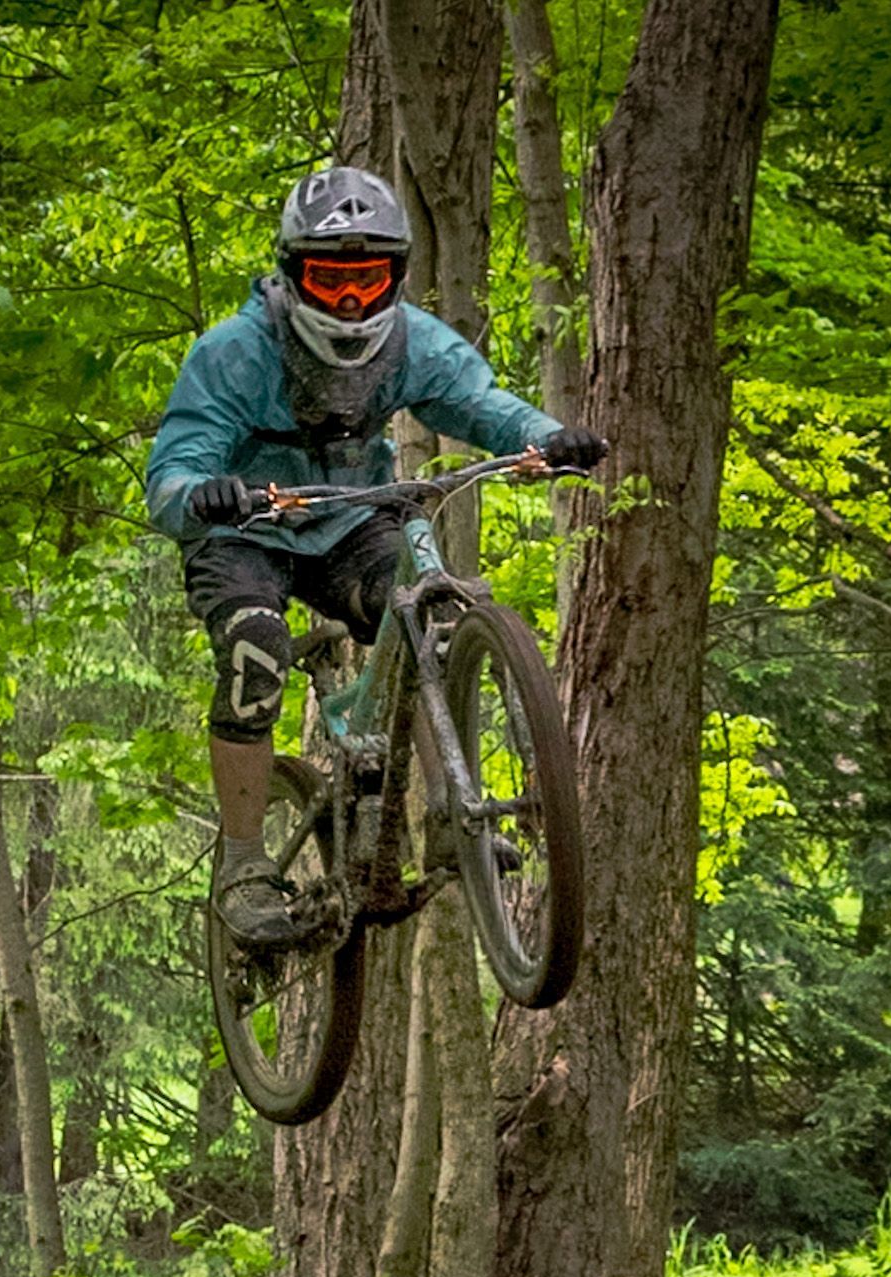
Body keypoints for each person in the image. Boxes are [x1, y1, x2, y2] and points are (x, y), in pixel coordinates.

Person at [145, 166, 605, 946]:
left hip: (350, 523)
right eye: (330, 279)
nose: (350, 301)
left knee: (436, 616)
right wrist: (202, 492)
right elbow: (174, 469)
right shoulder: (234, 352)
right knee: (255, 648)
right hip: (245, 533)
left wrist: (545, 435)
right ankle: (244, 864)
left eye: (367, 278)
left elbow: (478, 404)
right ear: (292, 274)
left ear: (396, 275)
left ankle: (447, 813)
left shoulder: (411, 343)